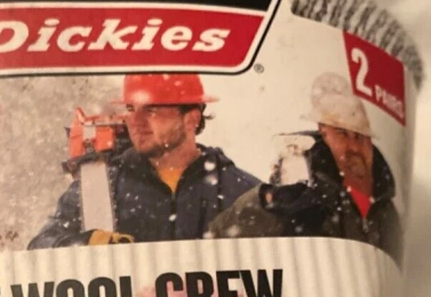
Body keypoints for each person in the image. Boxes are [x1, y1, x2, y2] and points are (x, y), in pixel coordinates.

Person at [28, 73, 259, 249]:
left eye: (151, 110)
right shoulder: (98, 188)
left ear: (192, 119)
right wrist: (83, 243)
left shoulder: (241, 192)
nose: (135, 121)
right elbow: (40, 246)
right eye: (131, 109)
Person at [209, 73, 403, 264]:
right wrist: (266, 202)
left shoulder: (387, 210)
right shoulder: (309, 194)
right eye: (342, 133)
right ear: (323, 133)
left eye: (360, 136)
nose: (353, 146)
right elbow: (220, 235)